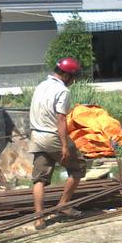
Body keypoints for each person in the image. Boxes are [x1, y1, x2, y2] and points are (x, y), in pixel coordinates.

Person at [29, 58, 87, 230]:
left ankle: (39, 219)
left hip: (36, 135)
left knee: (39, 179)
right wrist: (63, 145)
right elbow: (61, 119)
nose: (73, 81)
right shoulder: (62, 91)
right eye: (73, 77)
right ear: (67, 75)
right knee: (78, 168)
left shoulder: (41, 86)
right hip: (52, 135)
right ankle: (64, 205)